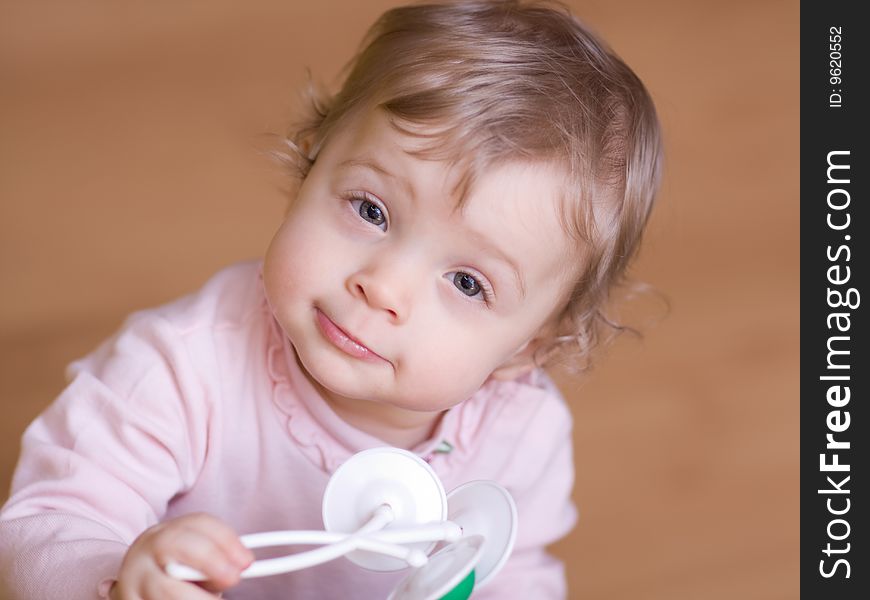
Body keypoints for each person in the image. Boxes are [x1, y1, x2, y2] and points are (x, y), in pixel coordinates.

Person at [0, 1, 662, 598]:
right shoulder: (181, 366)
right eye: (371, 209)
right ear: (309, 163)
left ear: (532, 347)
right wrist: (117, 580)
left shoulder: (519, 435)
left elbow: (510, 570)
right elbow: (48, 520)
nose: (382, 286)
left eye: (467, 282)